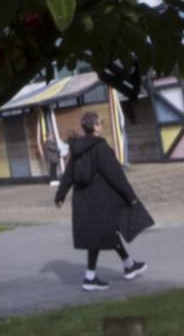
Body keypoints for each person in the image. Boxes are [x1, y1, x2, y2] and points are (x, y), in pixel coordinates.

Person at [54, 112, 149, 291]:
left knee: (106, 232)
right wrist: (131, 196)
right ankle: (90, 277)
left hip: (83, 199)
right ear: (95, 127)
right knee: (99, 236)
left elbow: (68, 174)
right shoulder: (100, 147)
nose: (102, 126)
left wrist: (60, 195)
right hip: (101, 199)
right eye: (101, 123)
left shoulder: (76, 148)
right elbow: (115, 175)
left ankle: (129, 265)